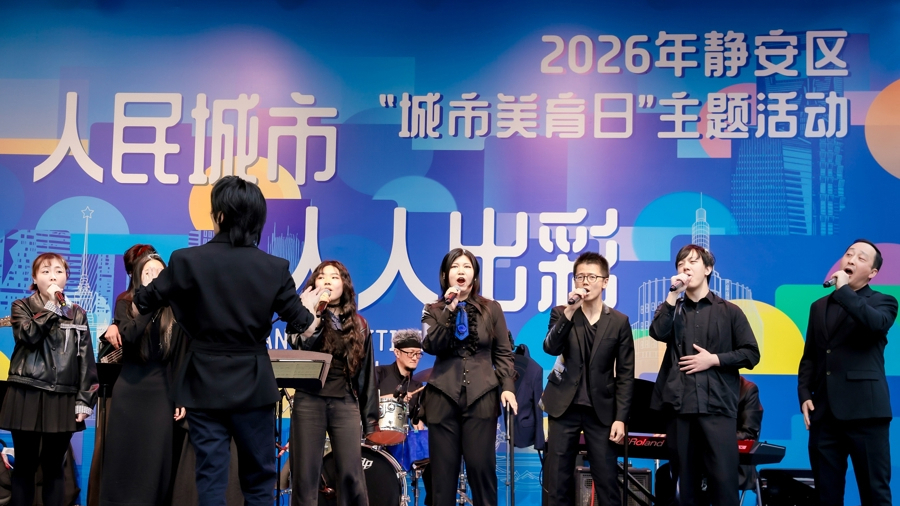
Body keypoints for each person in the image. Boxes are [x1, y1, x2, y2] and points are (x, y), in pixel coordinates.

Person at [134, 176, 320, 506]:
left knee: (210, 476)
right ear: (257, 220)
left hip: (203, 381)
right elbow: (306, 328)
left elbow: (139, 305)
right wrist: (310, 307)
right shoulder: (274, 267)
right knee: (259, 480)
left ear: (219, 215)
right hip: (253, 383)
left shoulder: (186, 260)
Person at [649, 244, 759, 506]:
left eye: (693, 262)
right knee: (684, 490)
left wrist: (714, 359)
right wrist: (673, 294)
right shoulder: (672, 309)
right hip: (680, 409)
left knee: (724, 487)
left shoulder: (730, 311)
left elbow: (751, 354)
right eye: (681, 264)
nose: (685, 267)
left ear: (708, 269)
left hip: (717, 409)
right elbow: (658, 332)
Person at [798, 239, 896, 506]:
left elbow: (875, 324)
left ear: (872, 273)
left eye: (861, 258)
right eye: (849, 254)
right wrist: (805, 393)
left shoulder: (884, 302)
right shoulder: (818, 306)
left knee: (875, 493)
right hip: (824, 415)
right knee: (826, 495)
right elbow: (811, 356)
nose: (851, 259)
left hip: (866, 413)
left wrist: (843, 291)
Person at [0, 252, 98, 506]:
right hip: (27, 392)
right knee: (25, 465)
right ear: (34, 278)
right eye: (45, 271)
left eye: (58, 271)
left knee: (55, 467)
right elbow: (28, 335)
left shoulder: (77, 313)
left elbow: (86, 359)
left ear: (66, 277)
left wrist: (85, 399)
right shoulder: (21, 306)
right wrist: (52, 307)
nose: (53, 276)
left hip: (63, 395)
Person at [421, 248, 517, 506]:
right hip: (442, 398)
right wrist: (449, 309)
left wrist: (508, 386)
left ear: (474, 275)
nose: (461, 271)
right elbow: (431, 344)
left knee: (481, 469)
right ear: (445, 275)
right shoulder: (432, 309)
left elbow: (503, 353)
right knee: (442, 478)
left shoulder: (492, 309)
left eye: (467, 266)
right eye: (455, 267)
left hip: (481, 398)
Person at [541, 251, 635, 506]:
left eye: (592, 276)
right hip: (564, 407)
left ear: (605, 282)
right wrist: (570, 311)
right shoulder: (561, 313)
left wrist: (621, 418)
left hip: (601, 411)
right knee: (557, 482)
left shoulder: (619, 322)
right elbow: (550, 347)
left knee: (607, 482)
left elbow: (625, 375)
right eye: (580, 276)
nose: (585, 281)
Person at [284, 260, 377, 506]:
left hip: (344, 401)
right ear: (313, 284)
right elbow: (301, 347)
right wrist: (314, 314)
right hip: (309, 400)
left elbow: (366, 376)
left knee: (351, 475)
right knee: (305, 476)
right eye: (322, 276)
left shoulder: (360, 324)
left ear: (344, 285)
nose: (327, 280)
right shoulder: (301, 316)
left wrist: (371, 422)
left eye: (334, 277)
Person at [99, 253, 187, 506]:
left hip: (161, 391)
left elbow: (180, 355)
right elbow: (129, 335)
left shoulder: (176, 308)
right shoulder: (126, 304)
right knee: (122, 456)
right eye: (147, 272)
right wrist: (149, 303)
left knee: (155, 457)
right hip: (129, 389)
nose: (153, 276)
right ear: (137, 277)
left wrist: (180, 396)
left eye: (159, 272)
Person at [654, 376, 764, 505]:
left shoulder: (747, 389)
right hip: (696, 458)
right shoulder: (697, 388)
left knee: (703, 474)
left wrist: (709, 438)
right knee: (666, 474)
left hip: (732, 462)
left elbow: (749, 432)